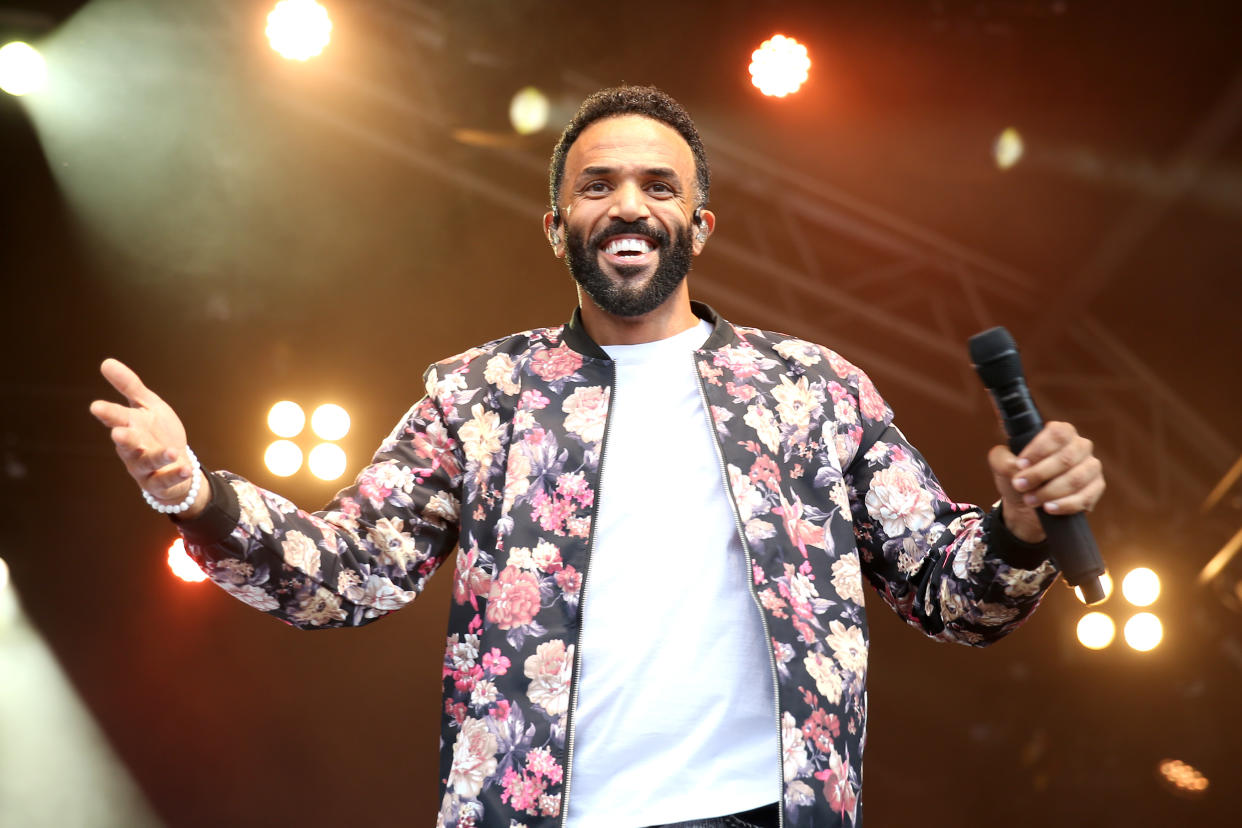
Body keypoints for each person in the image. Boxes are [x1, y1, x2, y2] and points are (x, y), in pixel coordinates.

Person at [90, 86, 1104, 828]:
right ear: (556, 225)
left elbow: (949, 596)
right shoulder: (480, 394)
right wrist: (193, 490)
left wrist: (1018, 528)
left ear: (698, 225)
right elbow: (348, 571)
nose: (628, 204)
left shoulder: (811, 388)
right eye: (597, 185)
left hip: (759, 809)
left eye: (659, 186)